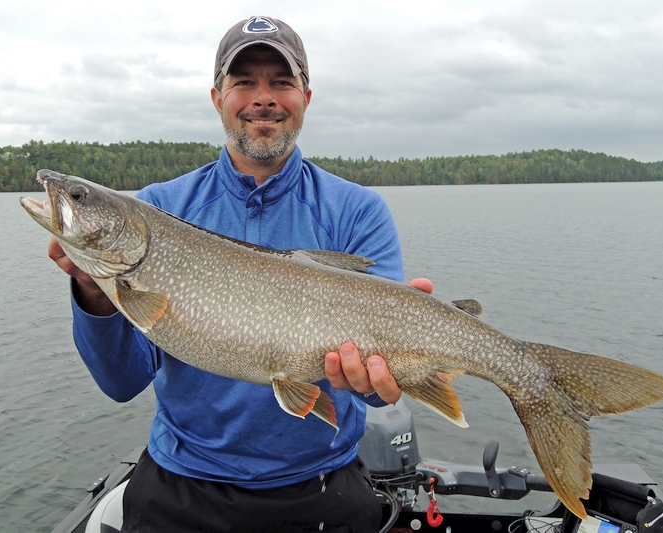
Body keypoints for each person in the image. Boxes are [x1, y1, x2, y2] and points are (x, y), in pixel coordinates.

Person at [49, 16, 431, 533]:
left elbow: (372, 392)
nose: (263, 97)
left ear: (306, 98)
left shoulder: (357, 212)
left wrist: (377, 377)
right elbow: (121, 382)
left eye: (281, 81)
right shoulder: (161, 208)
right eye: (244, 81)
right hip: (180, 489)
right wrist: (94, 290)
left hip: (323, 489)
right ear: (217, 97)